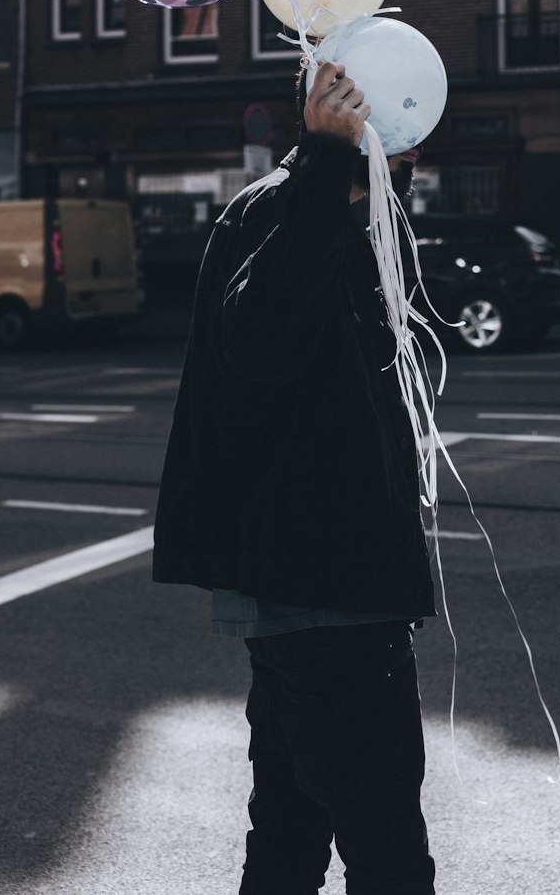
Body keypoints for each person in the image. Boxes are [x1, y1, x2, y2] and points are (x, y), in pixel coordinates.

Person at [153, 60, 437, 895]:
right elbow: (262, 343)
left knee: (288, 831)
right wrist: (324, 165)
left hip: (310, 588)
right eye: (406, 128)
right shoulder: (284, 211)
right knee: (385, 848)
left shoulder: (330, 214)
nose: (416, 157)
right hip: (329, 593)